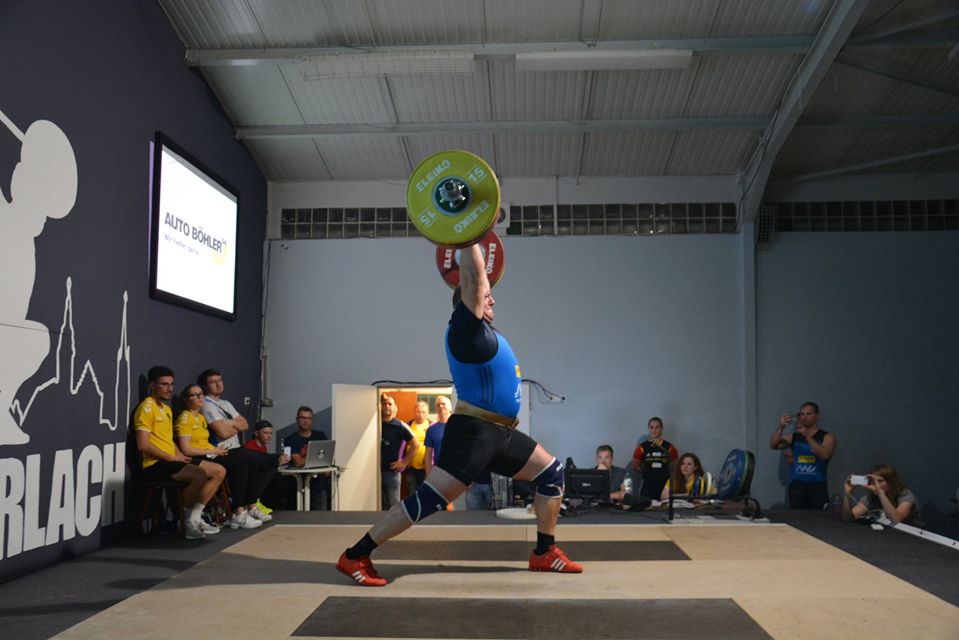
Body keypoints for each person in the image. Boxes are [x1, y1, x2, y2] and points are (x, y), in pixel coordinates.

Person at [337, 243, 582, 586]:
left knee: (551, 473)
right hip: (474, 432)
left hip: (501, 433)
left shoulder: (488, 334)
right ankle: (355, 555)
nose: (492, 300)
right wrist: (470, 237)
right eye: (486, 295)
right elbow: (475, 278)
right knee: (428, 500)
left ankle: (544, 552)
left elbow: (478, 284)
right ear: (472, 299)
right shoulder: (465, 331)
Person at [133, 366, 224, 540]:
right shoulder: (146, 408)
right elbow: (142, 445)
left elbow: (168, 439)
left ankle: (195, 517)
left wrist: (179, 455)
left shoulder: (166, 409)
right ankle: (185, 522)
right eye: (164, 384)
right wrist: (171, 457)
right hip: (154, 464)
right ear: (152, 385)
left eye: (172, 384)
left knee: (218, 471)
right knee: (199, 474)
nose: (169, 389)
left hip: (171, 460)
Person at [175, 384, 264, 530]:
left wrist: (215, 449)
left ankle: (250, 507)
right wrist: (213, 451)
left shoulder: (200, 417)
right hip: (198, 457)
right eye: (195, 395)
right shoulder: (185, 417)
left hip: (210, 452)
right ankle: (238, 513)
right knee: (239, 467)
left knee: (248, 462)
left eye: (201, 394)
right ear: (186, 400)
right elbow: (186, 449)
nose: (200, 397)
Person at [198, 369, 274, 521]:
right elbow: (222, 433)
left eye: (219, 380)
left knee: (265, 460)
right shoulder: (206, 405)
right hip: (220, 451)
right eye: (213, 382)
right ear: (206, 386)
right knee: (242, 466)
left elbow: (245, 424)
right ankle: (238, 511)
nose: (218, 384)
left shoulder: (226, 403)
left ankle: (252, 506)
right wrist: (234, 424)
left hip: (236, 448)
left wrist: (228, 423)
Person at [769, 402, 837, 509]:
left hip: (818, 486)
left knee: (820, 518)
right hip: (797, 486)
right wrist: (781, 426)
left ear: (817, 416)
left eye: (808, 414)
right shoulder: (794, 436)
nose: (804, 417)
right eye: (802, 414)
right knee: (796, 518)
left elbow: (825, 455)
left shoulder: (827, 436)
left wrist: (807, 436)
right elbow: (773, 445)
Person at [281, 406, 331, 510]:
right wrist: (316, 459)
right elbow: (298, 462)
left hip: (318, 483)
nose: (306, 421)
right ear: (297, 420)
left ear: (312, 420)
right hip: (298, 484)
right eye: (303, 418)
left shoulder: (320, 436)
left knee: (320, 513)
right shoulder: (290, 439)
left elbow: (327, 458)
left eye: (309, 418)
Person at [842, 464, 922, 526]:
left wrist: (880, 493)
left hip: (912, 534)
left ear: (891, 482)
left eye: (880, 481)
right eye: (873, 480)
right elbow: (848, 518)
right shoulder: (871, 498)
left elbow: (896, 520)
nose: (876, 484)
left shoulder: (905, 495)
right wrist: (848, 493)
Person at [378, 395, 417, 510]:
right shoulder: (374, 424)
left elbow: (415, 444)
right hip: (373, 474)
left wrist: (404, 462)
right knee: (376, 507)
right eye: (384, 404)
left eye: (390, 404)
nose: (387, 406)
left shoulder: (399, 425)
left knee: (394, 507)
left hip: (392, 473)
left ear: (395, 408)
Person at [244, 419, 293, 511]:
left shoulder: (263, 446)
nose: (269, 436)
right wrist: (277, 462)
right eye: (266, 433)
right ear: (256, 433)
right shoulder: (250, 446)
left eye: (271, 433)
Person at [631, 417, 679, 500]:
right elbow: (634, 465)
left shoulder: (669, 447)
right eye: (651, 427)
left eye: (657, 427)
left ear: (661, 428)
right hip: (647, 487)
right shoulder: (642, 447)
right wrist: (646, 472)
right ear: (648, 429)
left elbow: (677, 466)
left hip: (664, 487)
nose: (654, 430)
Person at [402, 400, 431, 495]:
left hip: (426, 468)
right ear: (414, 412)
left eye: (424, 412)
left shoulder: (431, 426)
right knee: (411, 493)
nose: (421, 415)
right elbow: (402, 445)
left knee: (425, 494)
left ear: (427, 413)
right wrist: (404, 460)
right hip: (411, 468)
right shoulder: (408, 425)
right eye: (418, 412)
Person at [423, 396, 452, 477]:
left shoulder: (459, 427)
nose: (440, 406)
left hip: (456, 473)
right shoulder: (431, 430)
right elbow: (428, 455)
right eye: (438, 405)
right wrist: (428, 474)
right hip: (438, 472)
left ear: (450, 408)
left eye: (443, 404)